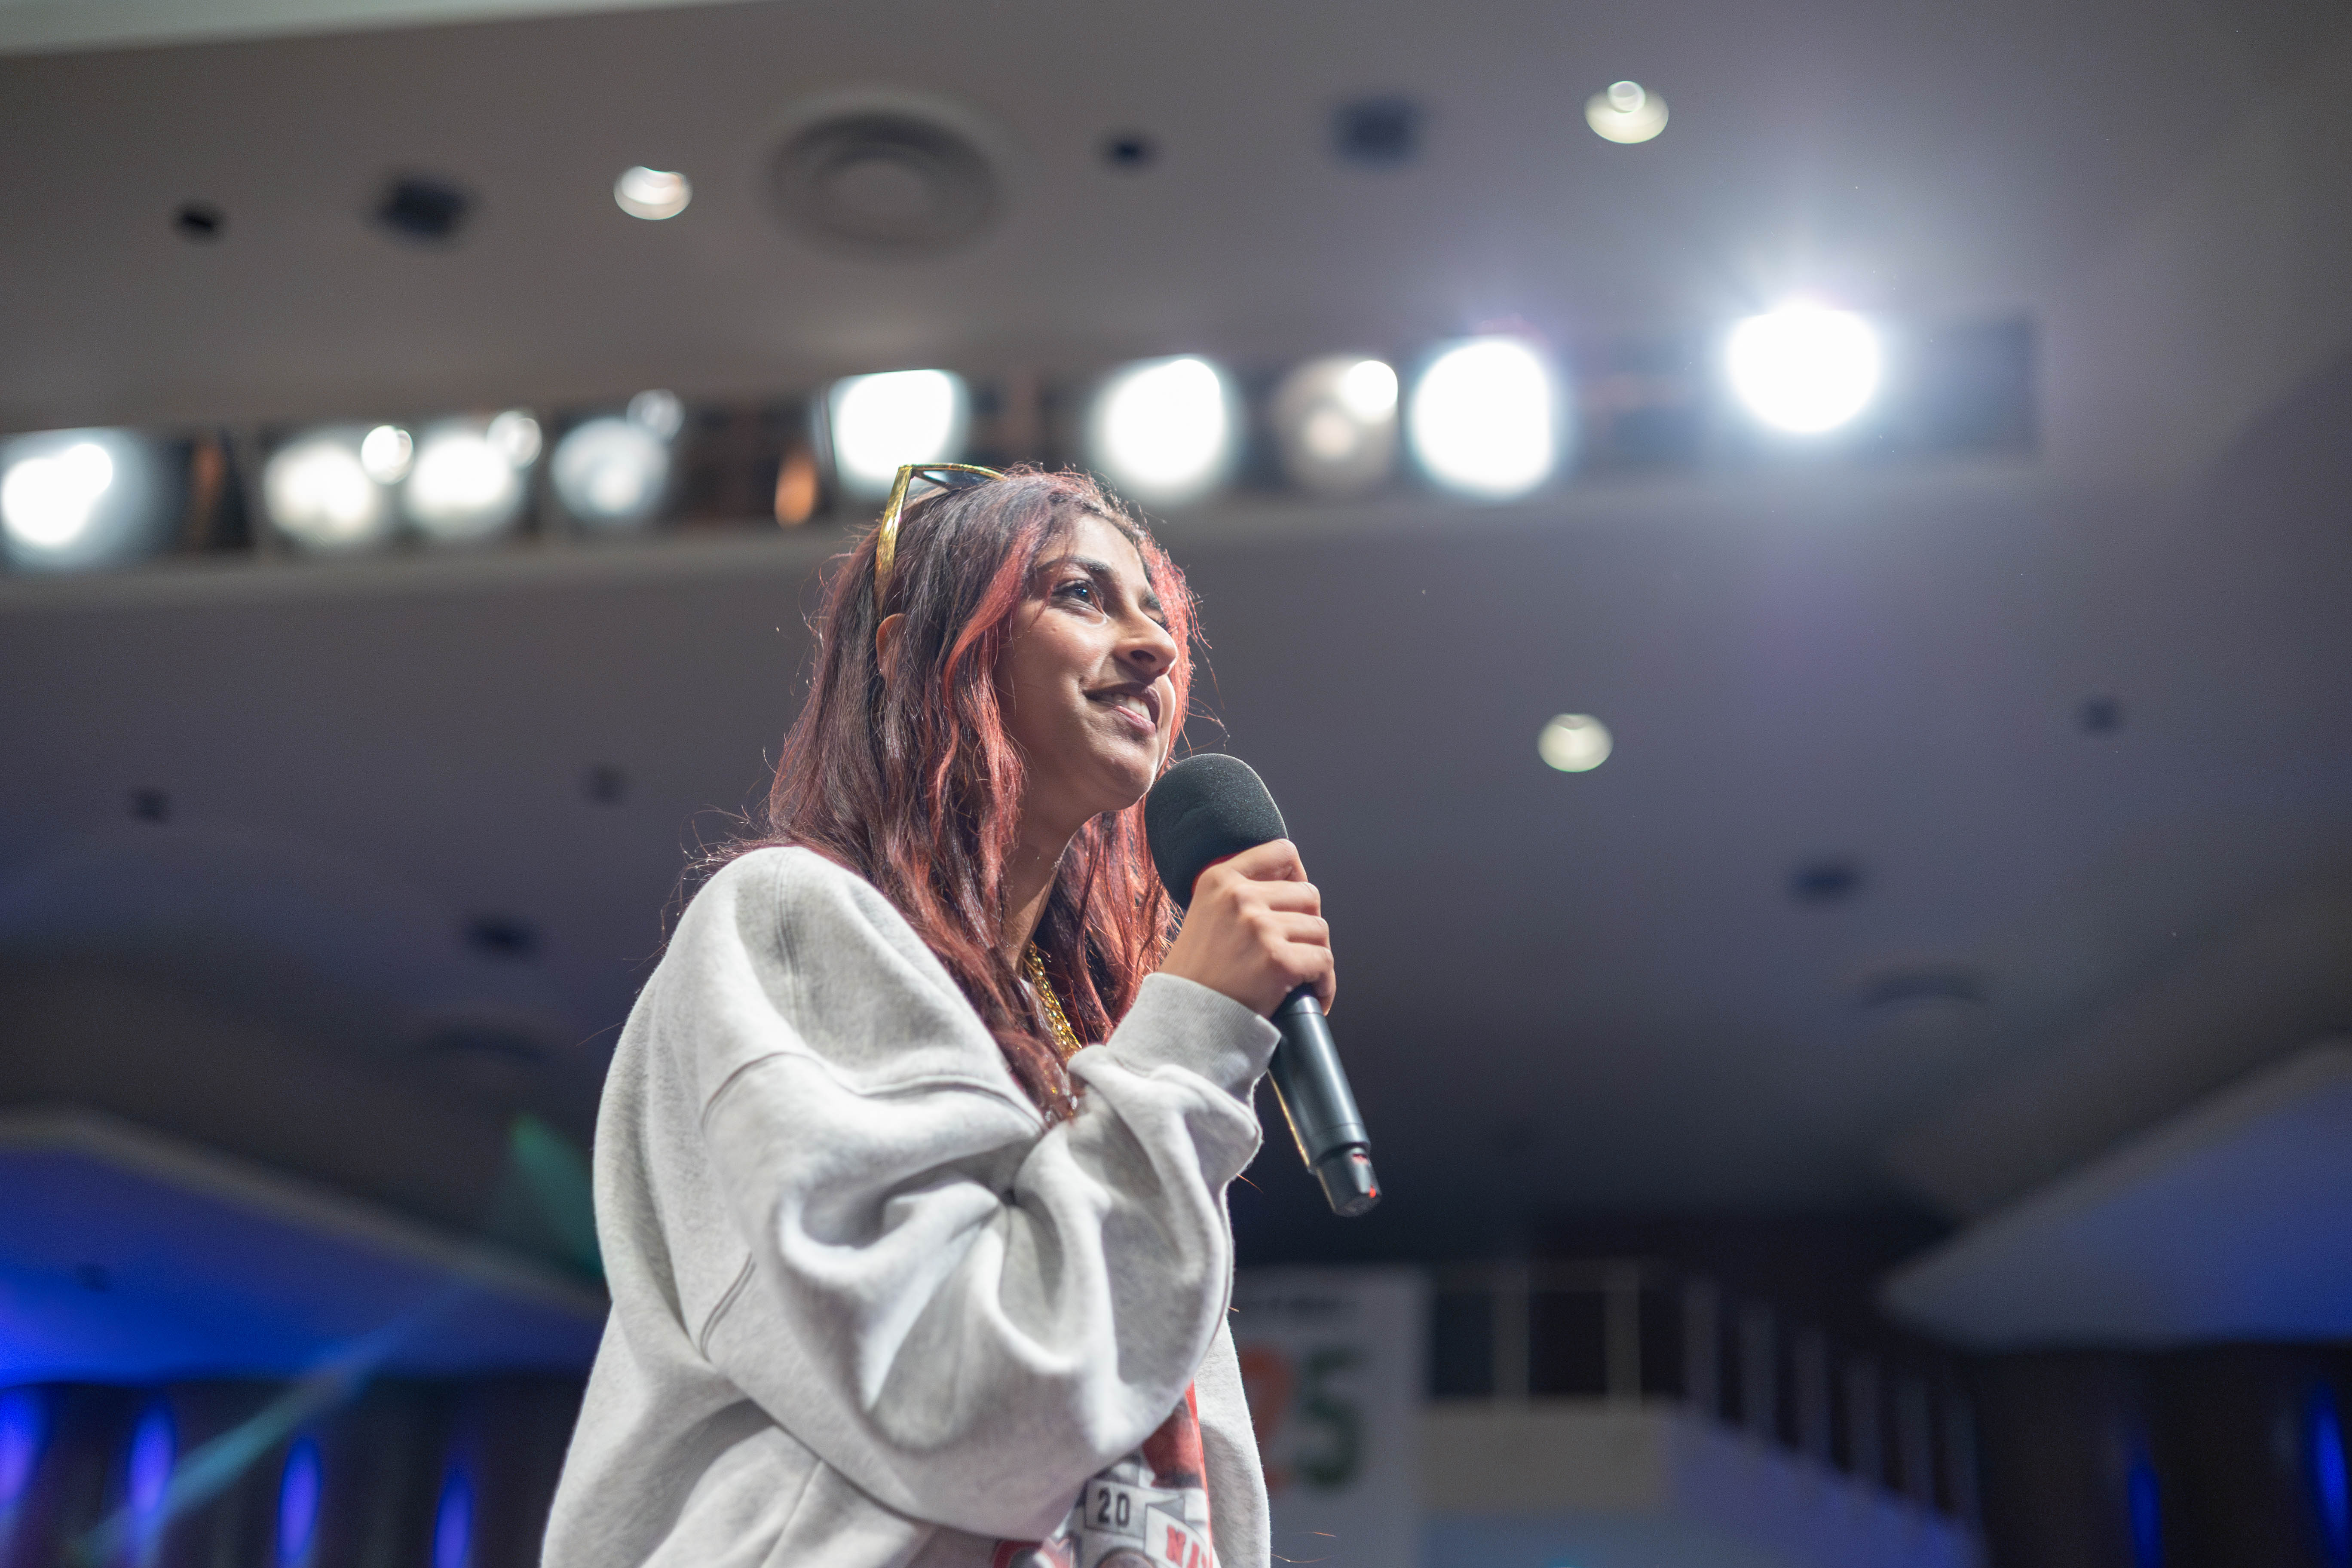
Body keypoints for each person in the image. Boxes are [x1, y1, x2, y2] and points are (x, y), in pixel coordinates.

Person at [542, 465, 1336, 1568]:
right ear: (914, 653)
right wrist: (1194, 1039)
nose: (1154, 645)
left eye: (1156, 611)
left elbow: (1171, 1457)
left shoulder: (1094, 1037)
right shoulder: (791, 921)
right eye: (1080, 594)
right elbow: (970, 1411)